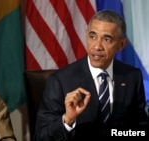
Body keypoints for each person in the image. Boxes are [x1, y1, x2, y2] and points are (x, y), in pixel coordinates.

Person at [34, 10, 149, 140]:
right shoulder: (60, 81)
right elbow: (41, 137)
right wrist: (67, 120)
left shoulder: (132, 77)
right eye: (92, 36)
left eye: (107, 39)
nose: (97, 46)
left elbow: (140, 130)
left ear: (121, 44)